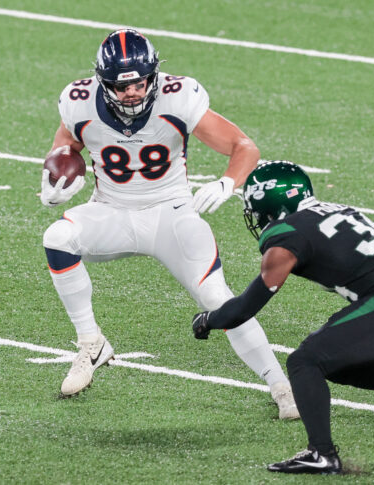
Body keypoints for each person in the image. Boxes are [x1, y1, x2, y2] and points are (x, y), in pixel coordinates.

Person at [38, 29, 299, 419]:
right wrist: (54, 182)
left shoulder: (179, 97)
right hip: (111, 210)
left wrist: (228, 181)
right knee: (57, 237)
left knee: (218, 299)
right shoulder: (79, 102)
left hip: (170, 213)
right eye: (121, 86)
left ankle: (281, 386)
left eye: (139, 83)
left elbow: (243, 146)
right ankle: (91, 342)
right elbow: (64, 149)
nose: (132, 93)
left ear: (153, 76)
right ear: (103, 82)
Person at [192, 160, 374, 474]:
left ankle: (322, 454)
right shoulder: (335, 209)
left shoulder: (287, 234)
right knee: (337, 365)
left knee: (304, 361)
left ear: (271, 206)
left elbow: (245, 308)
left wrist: (209, 319)